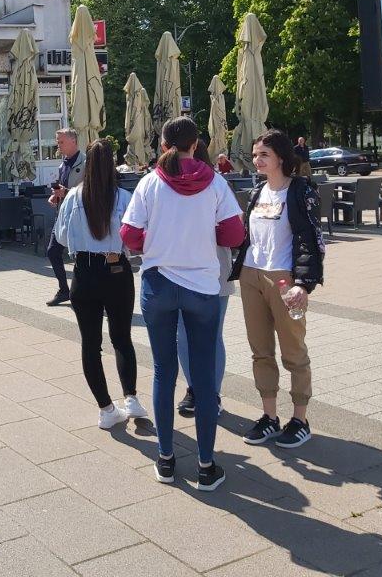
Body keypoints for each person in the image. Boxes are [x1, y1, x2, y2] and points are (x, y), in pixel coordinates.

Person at [121, 116, 244, 492]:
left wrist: (158, 245)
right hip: (203, 286)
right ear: (197, 144)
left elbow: (129, 235)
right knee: (204, 377)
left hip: (159, 284)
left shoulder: (148, 183)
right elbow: (235, 233)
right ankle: (206, 465)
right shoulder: (216, 182)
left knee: (163, 372)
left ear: (162, 145)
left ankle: (166, 460)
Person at [231, 130, 324, 449]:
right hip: (252, 275)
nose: (257, 160)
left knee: (294, 350)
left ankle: (300, 419)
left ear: (281, 158)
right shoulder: (257, 192)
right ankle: (269, 416)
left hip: (285, 279)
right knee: (260, 350)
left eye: (263, 155)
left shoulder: (300, 191)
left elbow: (312, 240)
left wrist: (304, 284)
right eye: (256, 155)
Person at [55, 139, 148, 428]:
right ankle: (130, 396)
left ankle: (106, 409)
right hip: (116, 270)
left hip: (83, 272)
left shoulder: (74, 197)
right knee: (121, 338)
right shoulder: (123, 196)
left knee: (90, 344)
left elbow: (60, 236)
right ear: (112, 165)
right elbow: (134, 238)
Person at [176, 142, 234, 417]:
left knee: (202, 336)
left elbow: (234, 232)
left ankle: (210, 393)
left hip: (211, 267)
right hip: (184, 270)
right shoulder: (166, 185)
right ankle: (197, 390)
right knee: (188, 336)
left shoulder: (217, 184)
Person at [46, 128, 86, 306]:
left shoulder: (85, 162)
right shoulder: (63, 163)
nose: (58, 145)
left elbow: (88, 192)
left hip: (78, 216)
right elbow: (63, 188)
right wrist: (56, 195)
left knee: (81, 257)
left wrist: (66, 192)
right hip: (62, 215)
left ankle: (85, 292)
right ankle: (64, 290)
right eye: (57, 142)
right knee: (52, 251)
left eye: (61, 142)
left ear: (73, 141)